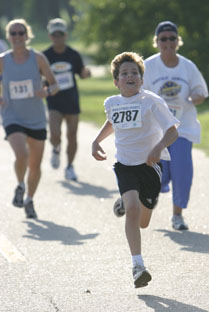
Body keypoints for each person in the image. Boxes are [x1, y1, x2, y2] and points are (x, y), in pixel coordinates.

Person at [92, 52, 179, 288]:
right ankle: (138, 266)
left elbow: (172, 130)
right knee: (132, 209)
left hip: (150, 166)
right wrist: (97, 140)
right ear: (116, 81)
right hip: (125, 166)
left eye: (134, 73)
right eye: (124, 73)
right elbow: (112, 121)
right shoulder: (112, 103)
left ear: (141, 79)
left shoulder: (151, 101)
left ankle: (125, 202)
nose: (129, 76)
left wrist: (159, 147)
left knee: (143, 222)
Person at [143, 21, 209, 230]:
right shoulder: (149, 66)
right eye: (164, 39)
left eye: (172, 38)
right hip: (157, 131)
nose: (168, 42)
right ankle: (139, 200)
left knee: (182, 172)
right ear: (157, 42)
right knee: (160, 173)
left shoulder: (187, 66)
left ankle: (177, 216)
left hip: (183, 128)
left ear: (178, 41)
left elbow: (201, 91)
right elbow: (137, 93)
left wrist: (196, 96)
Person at [0, 19, 58, 218]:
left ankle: (30, 199)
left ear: (27, 35)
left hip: (35, 118)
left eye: (20, 33)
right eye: (13, 33)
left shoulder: (38, 58)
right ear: (9, 37)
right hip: (11, 115)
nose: (17, 37)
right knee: (21, 153)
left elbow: (54, 84)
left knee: (35, 165)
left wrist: (46, 92)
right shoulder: (3, 60)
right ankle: (19, 185)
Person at [43, 18, 91, 181]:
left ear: (66, 35)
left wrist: (86, 74)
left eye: (61, 34)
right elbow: (38, 78)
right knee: (55, 134)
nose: (58, 37)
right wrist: (44, 88)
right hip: (54, 101)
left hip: (71, 100)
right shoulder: (45, 56)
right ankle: (56, 149)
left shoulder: (73, 54)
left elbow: (81, 73)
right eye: (54, 34)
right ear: (50, 36)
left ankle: (70, 166)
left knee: (72, 136)